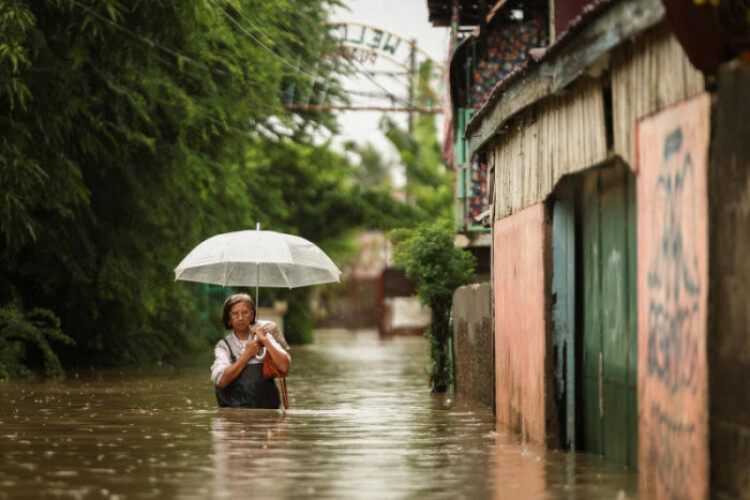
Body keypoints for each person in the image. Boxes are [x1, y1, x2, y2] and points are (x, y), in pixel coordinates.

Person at [211, 293, 290, 408]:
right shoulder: (223, 346)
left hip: (266, 415)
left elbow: (284, 368)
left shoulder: (264, 337)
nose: (240, 318)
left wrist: (265, 341)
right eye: (235, 314)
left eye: (245, 312)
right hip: (235, 418)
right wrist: (247, 355)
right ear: (229, 319)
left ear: (252, 316)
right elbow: (221, 380)